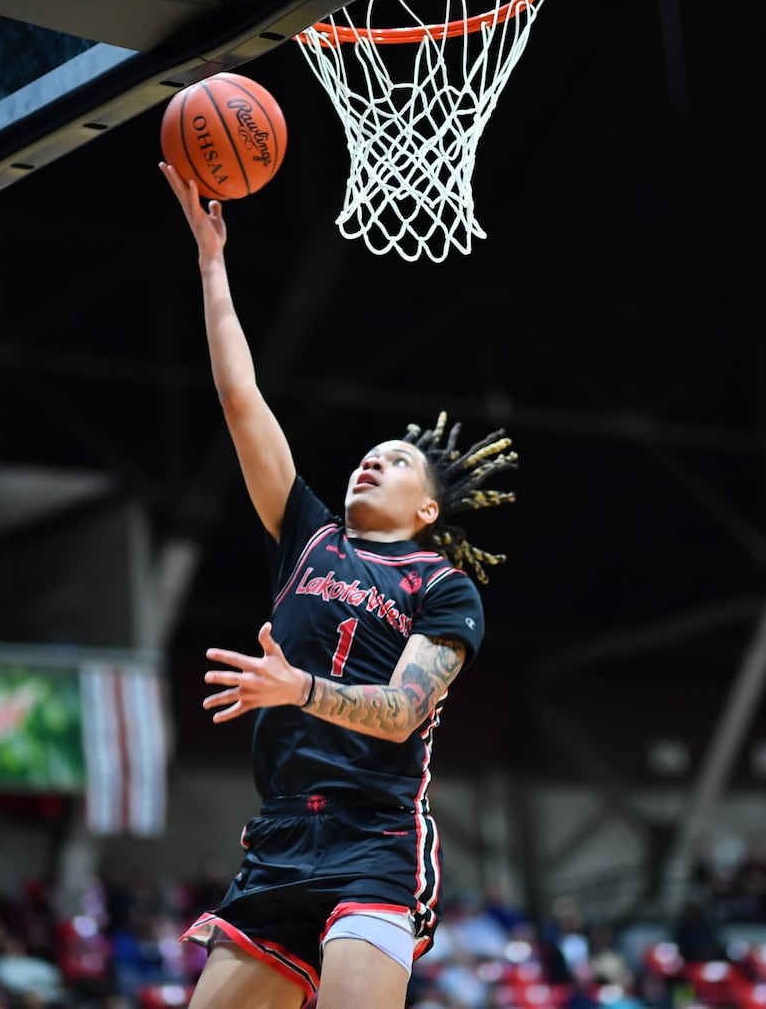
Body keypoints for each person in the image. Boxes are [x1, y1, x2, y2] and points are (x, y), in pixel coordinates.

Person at [159, 161, 519, 1009]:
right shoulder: (308, 536)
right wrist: (213, 261)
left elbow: (400, 713)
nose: (371, 460)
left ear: (427, 507)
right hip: (280, 833)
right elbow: (240, 398)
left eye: (395, 461)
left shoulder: (444, 587)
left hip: (374, 834)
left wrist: (298, 687)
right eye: (369, 453)